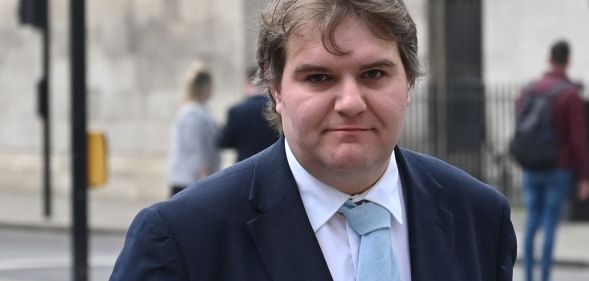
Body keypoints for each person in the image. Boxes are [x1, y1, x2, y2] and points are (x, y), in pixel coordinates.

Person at [110, 1, 516, 280]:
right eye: (319, 77)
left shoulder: (480, 218)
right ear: (276, 90)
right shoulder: (182, 237)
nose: (351, 102)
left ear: (408, 82)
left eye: (374, 74)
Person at [518, 40, 589, 281]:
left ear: (549, 59)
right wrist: (584, 176)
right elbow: (578, 139)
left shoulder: (528, 90)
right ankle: (544, 276)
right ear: (567, 61)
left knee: (531, 222)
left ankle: (528, 275)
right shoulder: (569, 95)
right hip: (559, 168)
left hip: (530, 166)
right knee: (550, 223)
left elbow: (521, 124)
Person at [167, 62, 220, 197]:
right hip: (189, 181)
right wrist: (205, 178)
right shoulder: (192, 113)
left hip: (193, 180)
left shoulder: (200, 110)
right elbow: (195, 149)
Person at [218, 66, 278, 162]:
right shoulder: (276, 109)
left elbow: (225, 142)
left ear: (247, 84)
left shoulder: (236, 111)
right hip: (272, 163)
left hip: (244, 165)